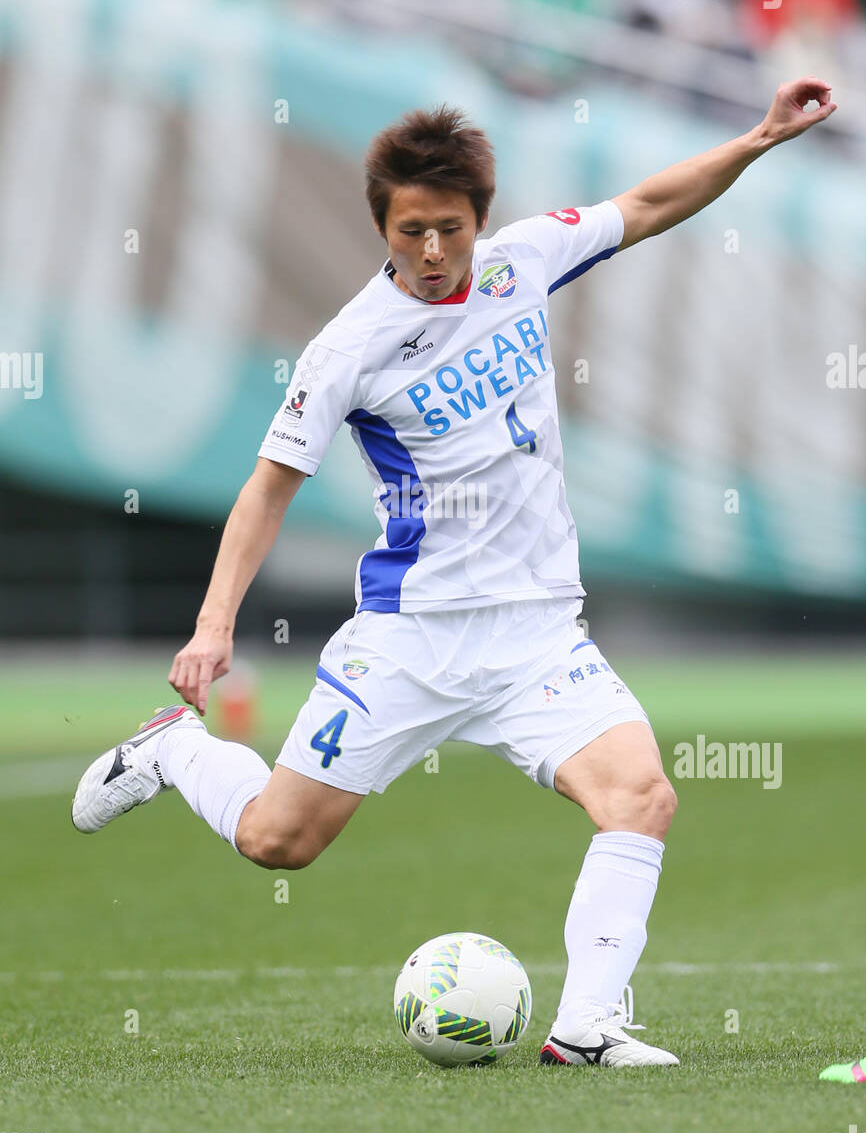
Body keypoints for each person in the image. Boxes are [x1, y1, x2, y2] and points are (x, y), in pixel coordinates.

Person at [72, 80, 836, 1068]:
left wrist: (759, 138)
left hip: (536, 634)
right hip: (413, 638)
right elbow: (266, 489)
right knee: (278, 842)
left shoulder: (524, 261)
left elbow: (645, 205)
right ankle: (174, 751)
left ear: (481, 219)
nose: (431, 253)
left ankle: (584, 1027)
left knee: (640, 796)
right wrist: (213, 626)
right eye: (409, 232)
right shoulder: (348, 348)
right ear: (381, 226)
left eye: (449, 230)